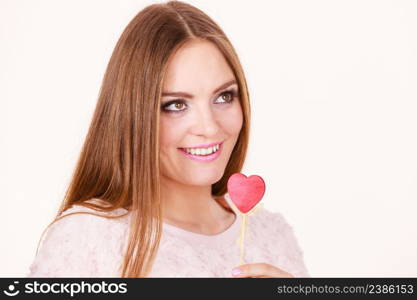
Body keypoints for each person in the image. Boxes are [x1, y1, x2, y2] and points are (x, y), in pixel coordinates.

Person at [27, 0, 309, 278]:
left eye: (224, 97)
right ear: (133, 115)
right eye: (176, 104)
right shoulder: (88, 238)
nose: (209, 127)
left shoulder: (272, 234)